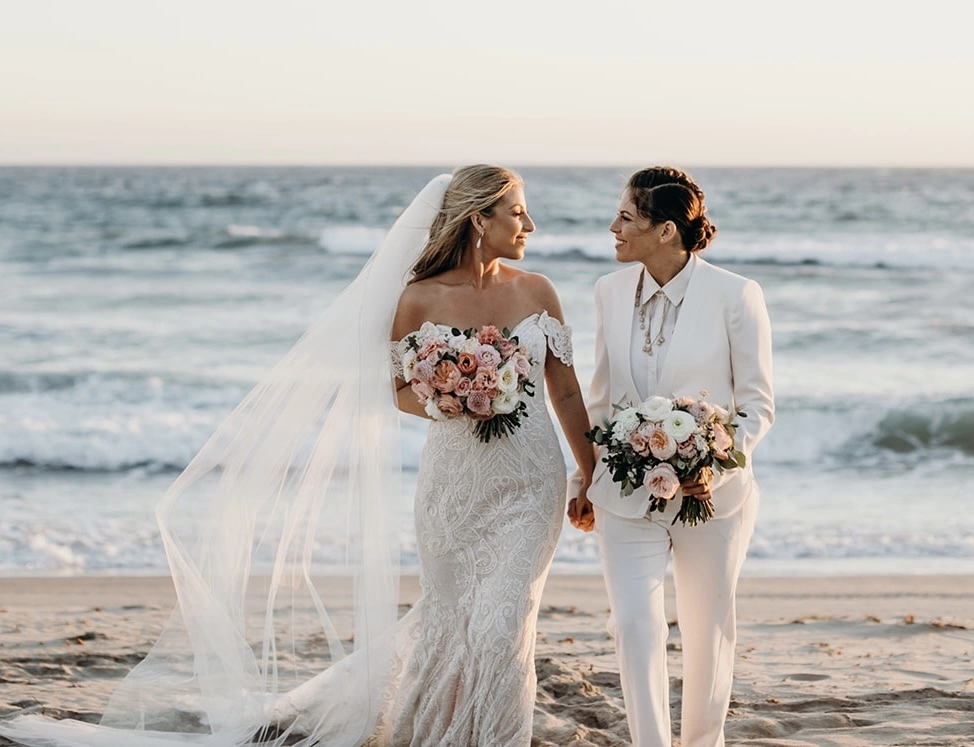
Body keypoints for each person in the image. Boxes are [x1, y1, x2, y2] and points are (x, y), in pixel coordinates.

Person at [2, 166, 595, 747]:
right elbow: (393, 391)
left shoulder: (537, 290)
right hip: (453, 489)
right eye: (517, 211)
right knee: (450, 618)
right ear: (477, 219)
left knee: (500, 624)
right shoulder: (416, 299)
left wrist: (587, 469)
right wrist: (460, 401)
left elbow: (564, 388)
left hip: (528, 483)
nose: (531, 224)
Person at [567, 166, 774, 747]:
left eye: (626, 217)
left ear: (664, 231)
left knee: (708, 632)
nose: (614, 227)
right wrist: (582, 476)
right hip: (623, 492)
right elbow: (603, 395)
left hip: (714, 500)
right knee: (634, 626)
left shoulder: (737, 295)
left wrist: (712, 462)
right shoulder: (609, 291)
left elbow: (757, 406)